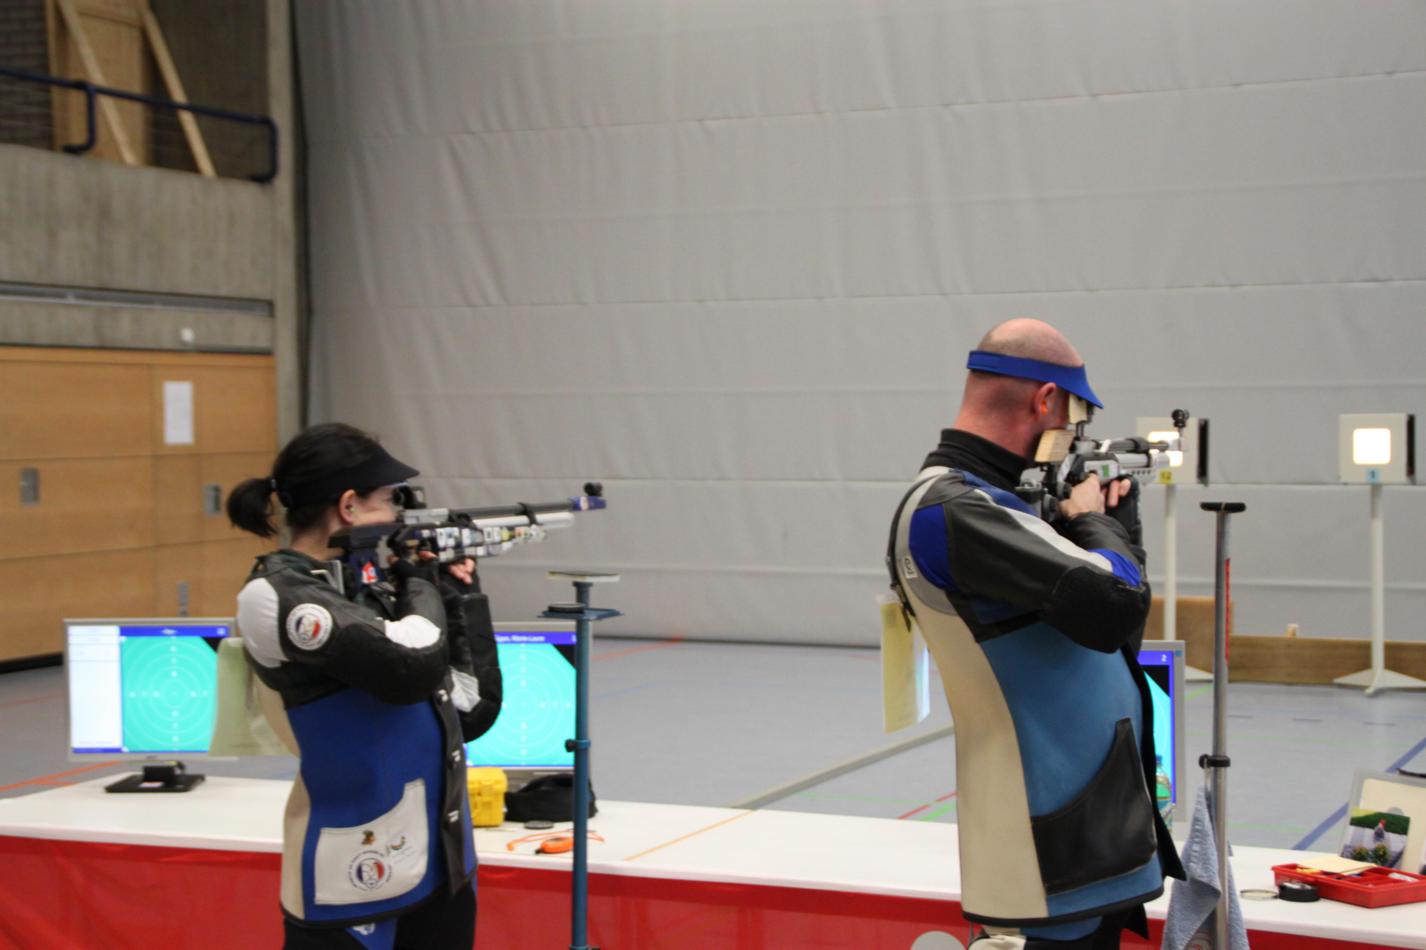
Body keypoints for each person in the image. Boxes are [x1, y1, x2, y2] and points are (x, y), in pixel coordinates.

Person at [887, 319, 1184, 949]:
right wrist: (1096, 524)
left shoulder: (998, 506)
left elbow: (1109, 637)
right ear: (1046, 400)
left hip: (1086, 838)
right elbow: (1115, 607)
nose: (1075, 435)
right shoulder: (956, 510)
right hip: (1049, 848)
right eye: (1076, 419)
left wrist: (1111, 527)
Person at [227, 423, 502, 950]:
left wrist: (459, 596)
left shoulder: (371, 589)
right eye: (388, 500)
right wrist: (419, 582)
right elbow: (411, 667)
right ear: (349, 506)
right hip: (352, 875)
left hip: (441, 865)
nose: (397, 515)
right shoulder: (274, 596)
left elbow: (473, 710)